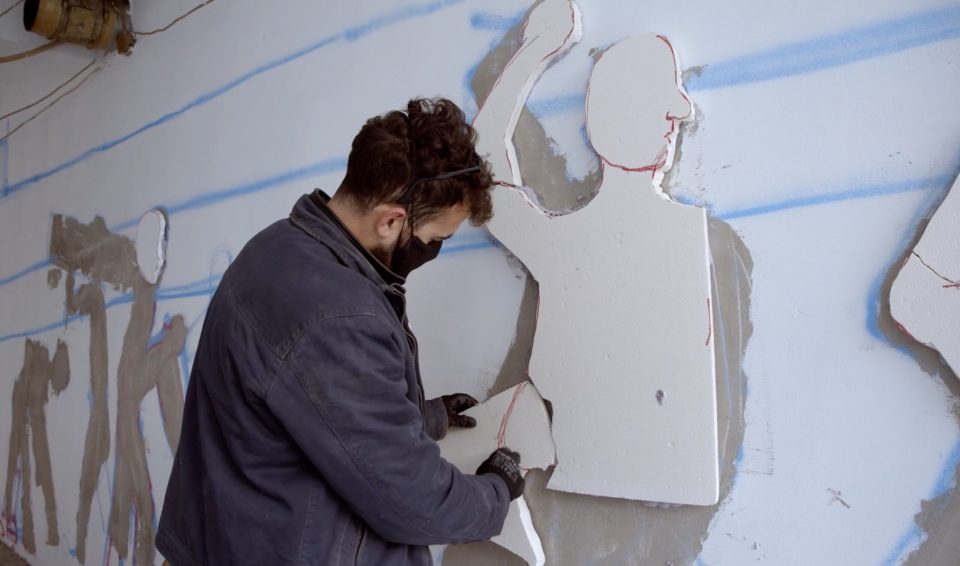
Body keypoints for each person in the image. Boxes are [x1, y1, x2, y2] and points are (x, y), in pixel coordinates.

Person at [156, 97, 524, 566]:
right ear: (391, 220)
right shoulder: (340, 317)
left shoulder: (277, 247)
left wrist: (426, 416)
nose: (431, 252)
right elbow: (412, 501)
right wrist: (495, 492)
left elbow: (311, 404)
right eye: (434, 240)